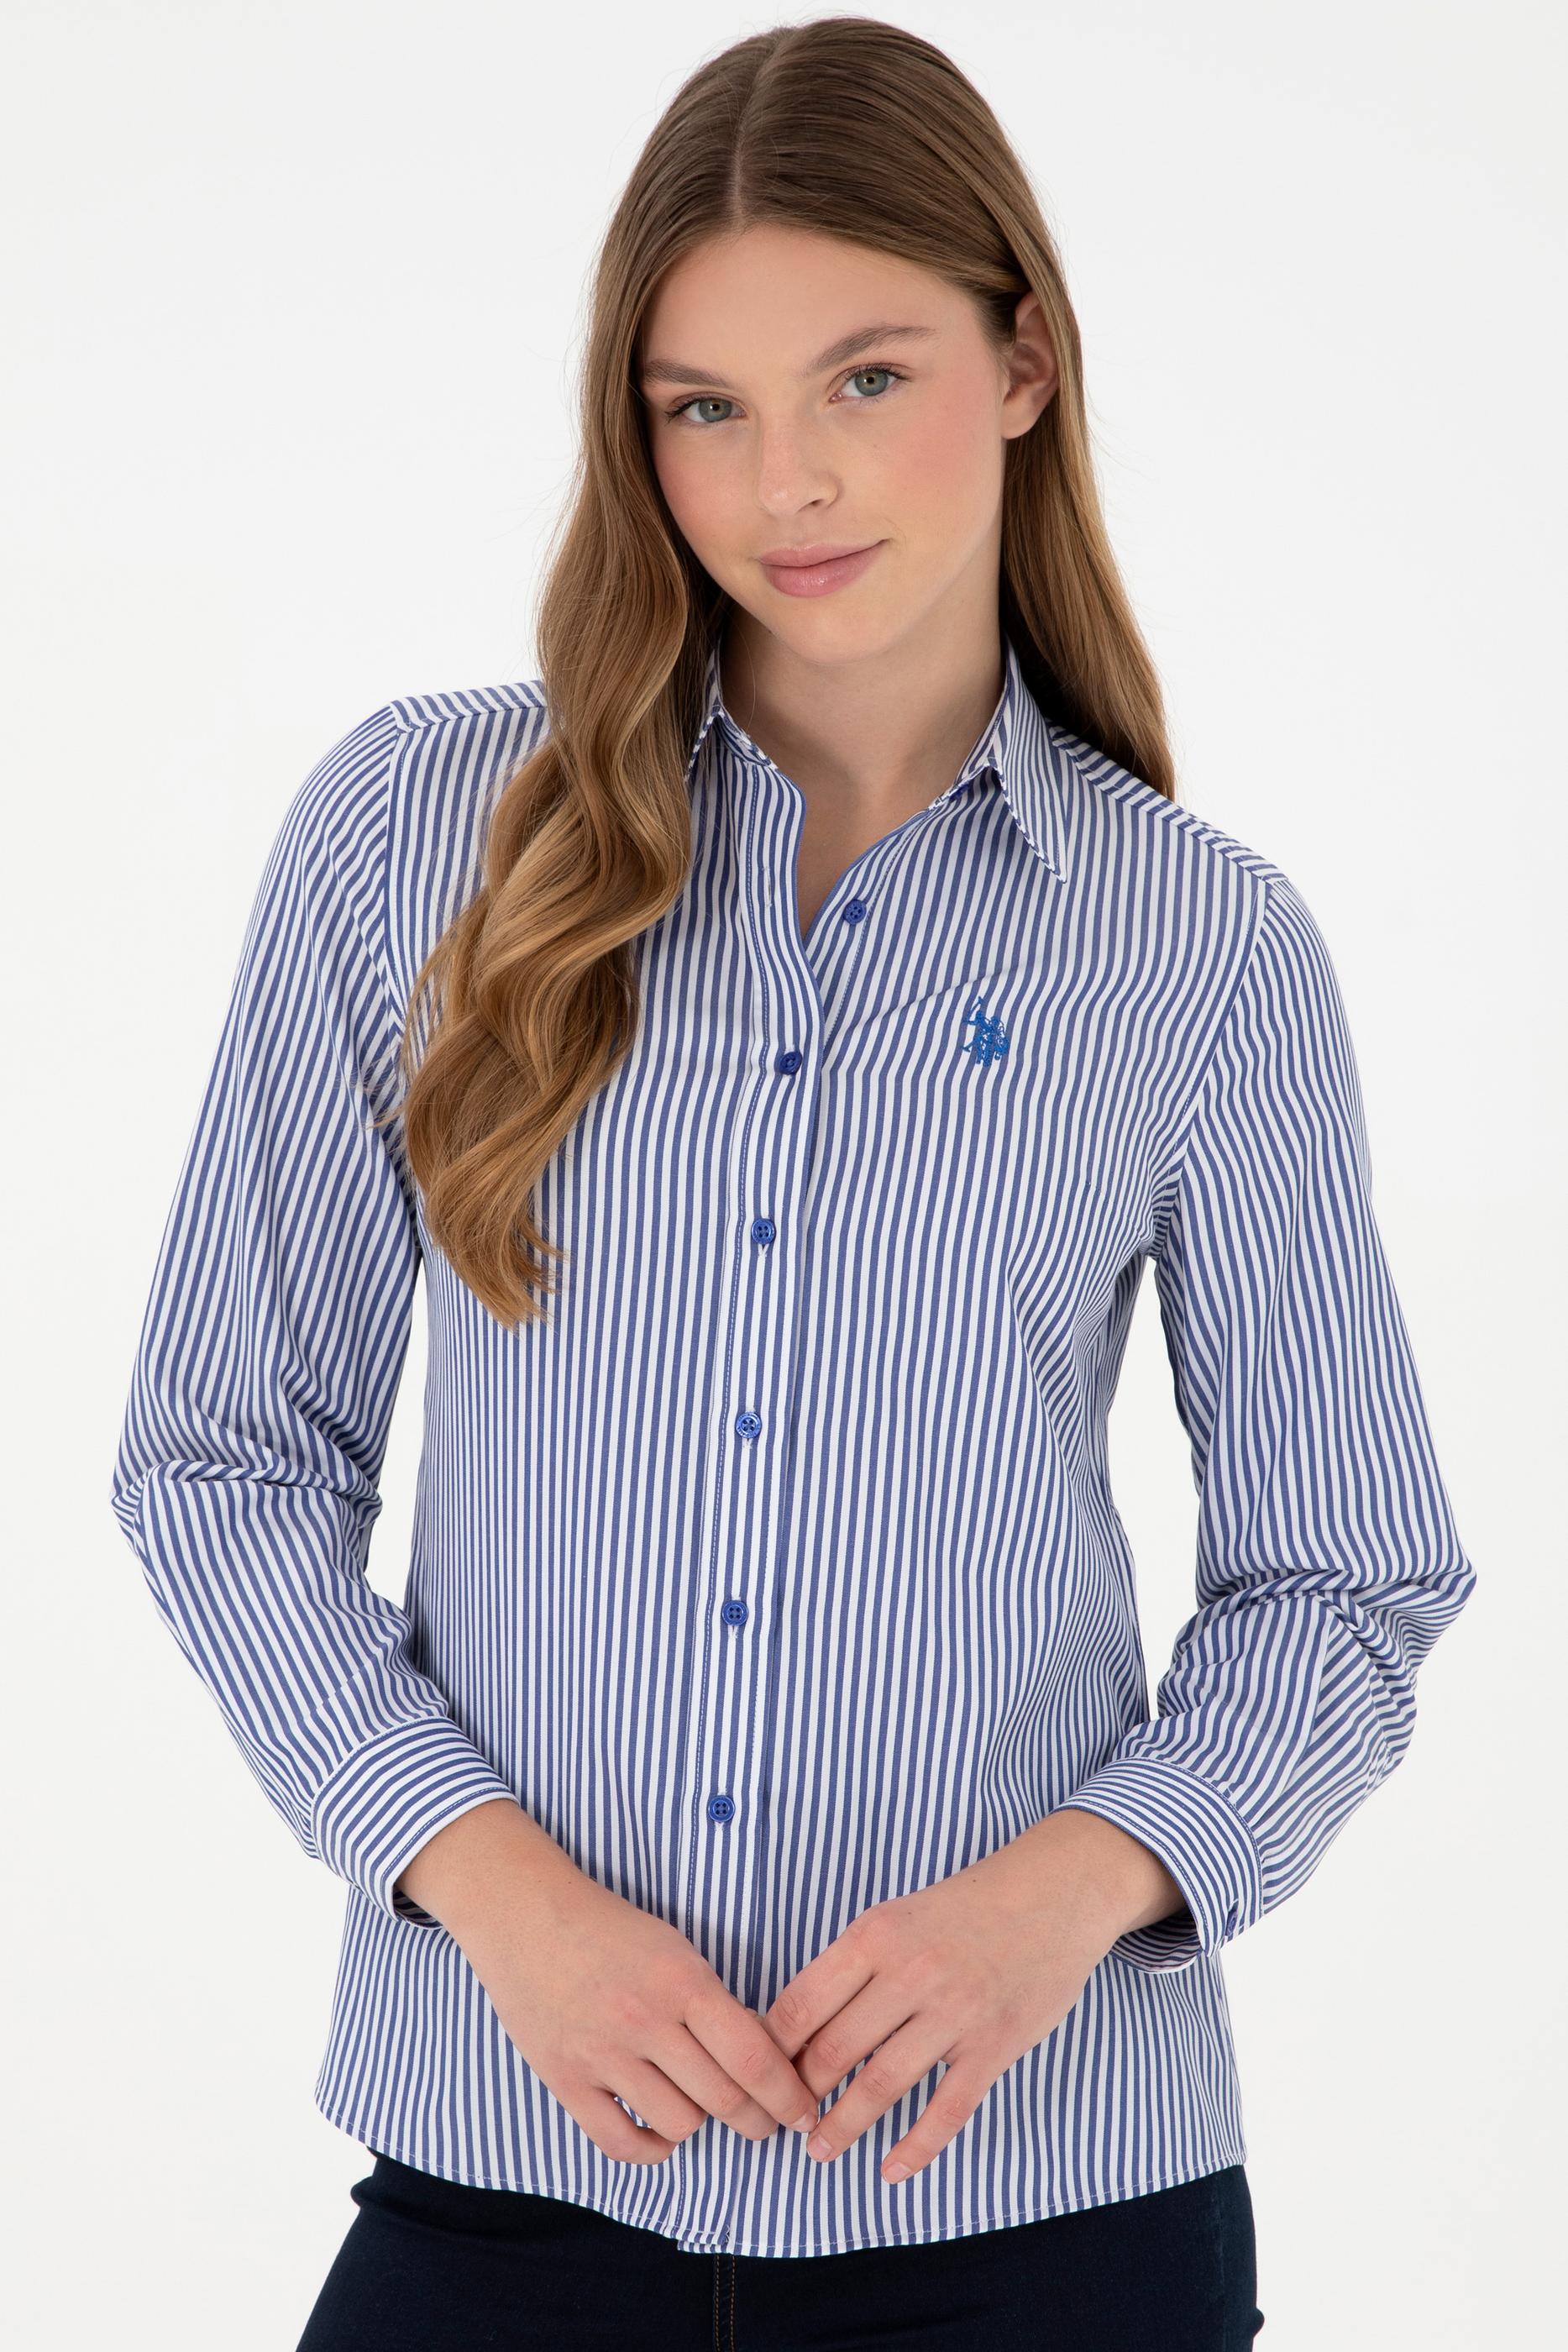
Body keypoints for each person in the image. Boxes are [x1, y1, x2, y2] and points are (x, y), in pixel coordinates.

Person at [108, 16, 1476, 2349]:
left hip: (1047, 2215)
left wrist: (1073, 1889)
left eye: (866, 376)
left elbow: (1346, 1580)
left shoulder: (1202, 946)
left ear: (1025, 361)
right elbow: (221, 1459)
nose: (788, 481)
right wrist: (496, 1890)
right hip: (503, 2188)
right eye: (703, 405)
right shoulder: (414, 846)